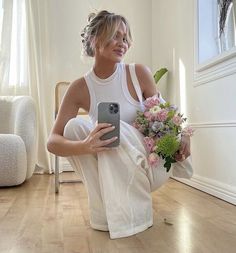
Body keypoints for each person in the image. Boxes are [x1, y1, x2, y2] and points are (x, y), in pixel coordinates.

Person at [47, 10, 193, 239]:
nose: (122, 43)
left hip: (150, 165)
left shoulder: (138, 73)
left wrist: (182, 135)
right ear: (95, 39)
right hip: (113, 171)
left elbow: (165, 117)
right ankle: (104, 215)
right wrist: (85, 146)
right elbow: (52, 141)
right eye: (115, 36)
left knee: (113, 128)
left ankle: (136, 215)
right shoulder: (79, 88)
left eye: (125, 38)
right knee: (74, 127)